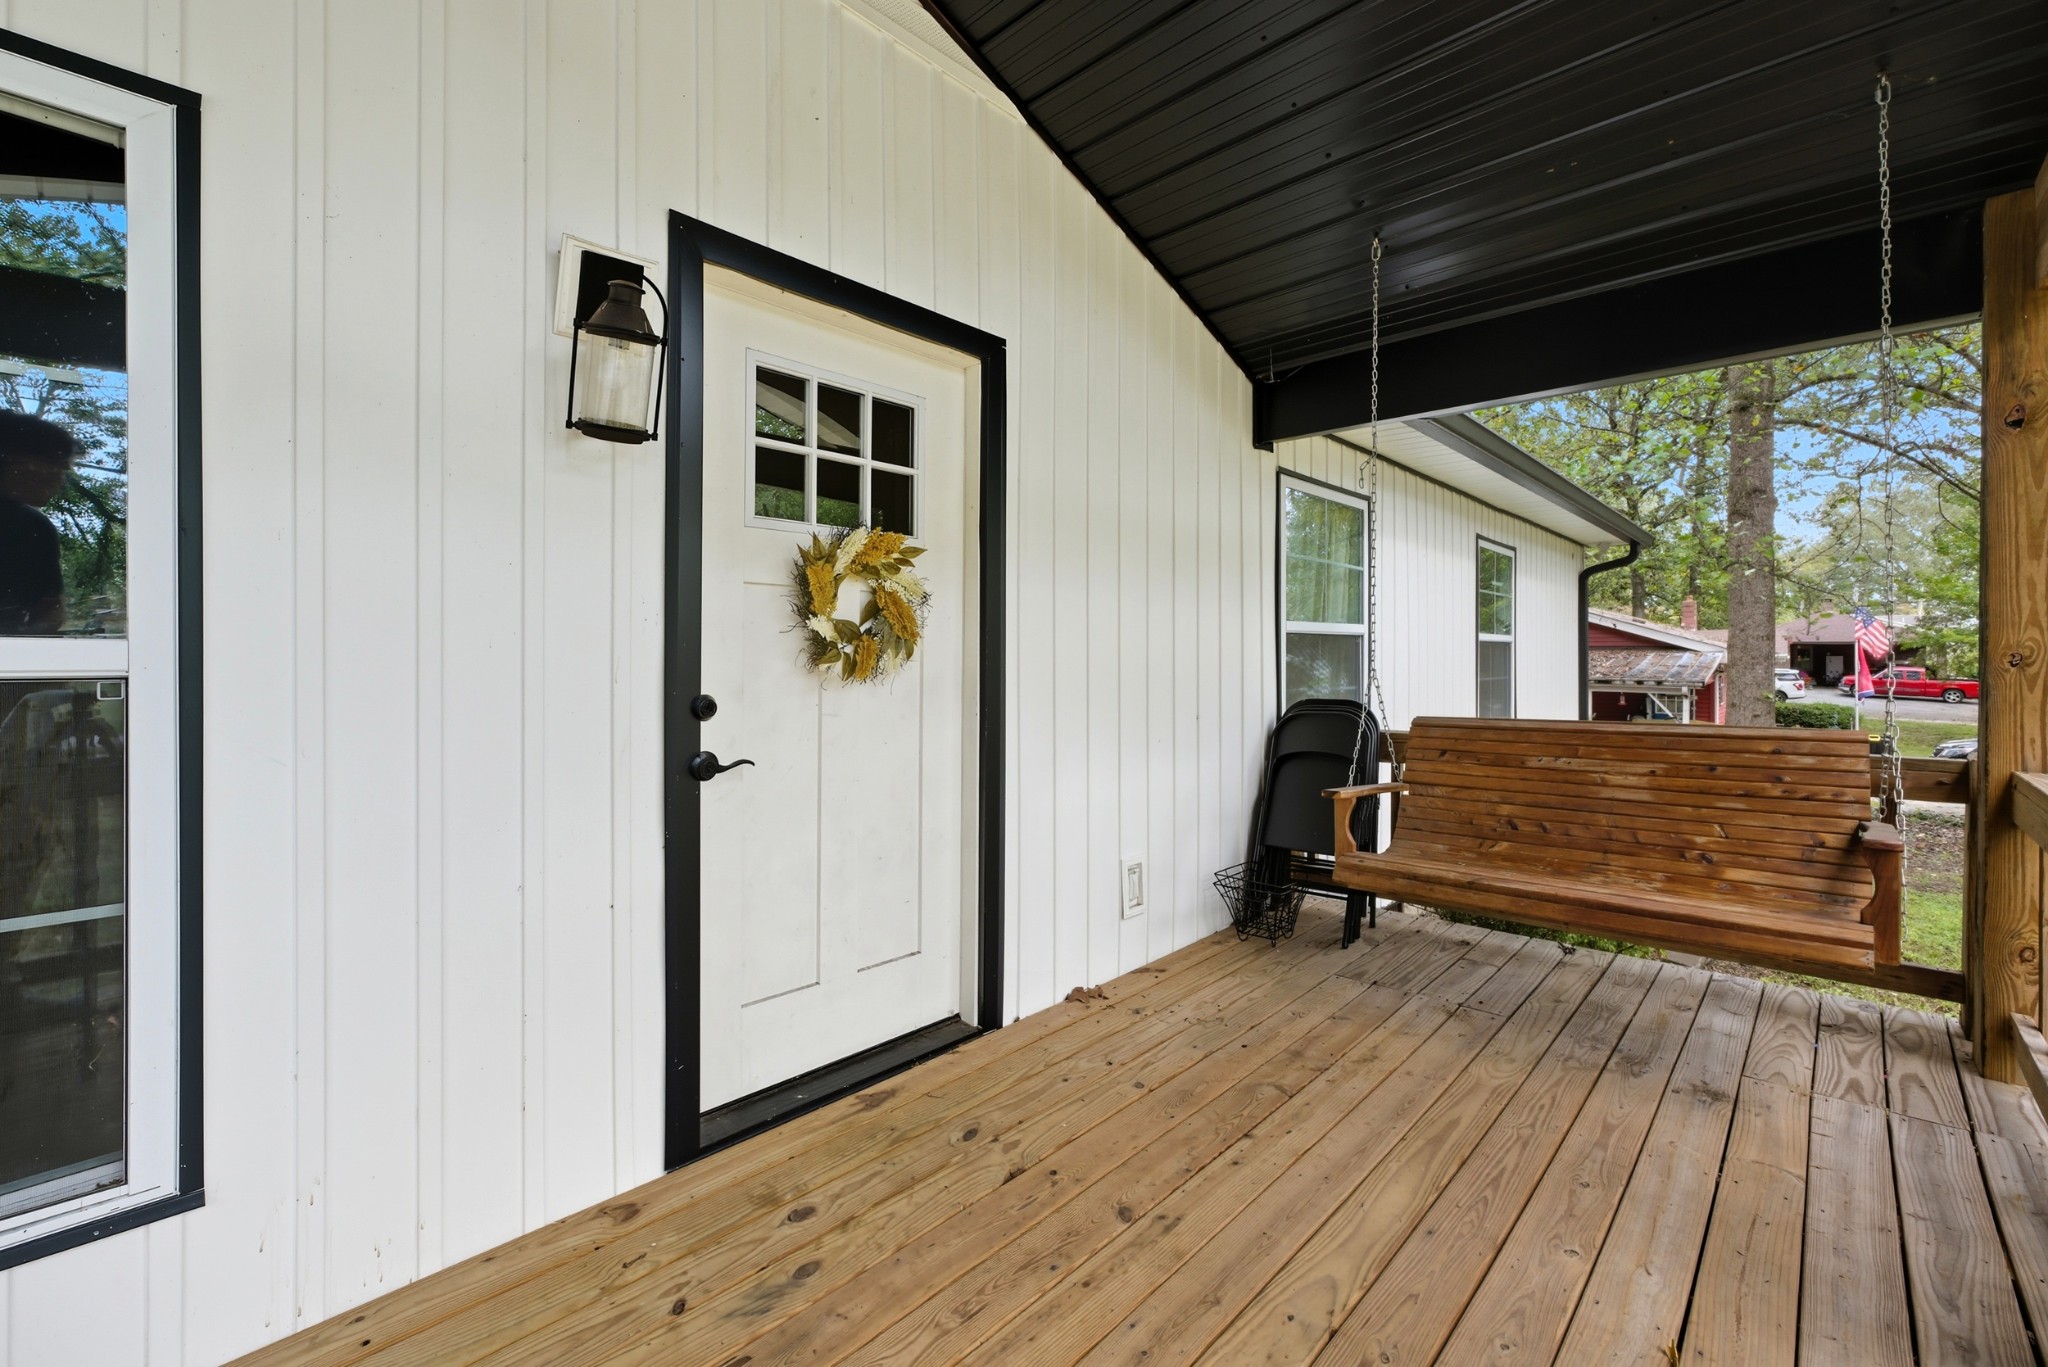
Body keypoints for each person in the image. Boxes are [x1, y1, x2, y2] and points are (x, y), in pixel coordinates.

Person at [0, 411, 74, 635]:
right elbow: (49, 615)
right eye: (58, 465)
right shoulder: (29, 527)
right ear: (17, 461)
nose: (61, 480)